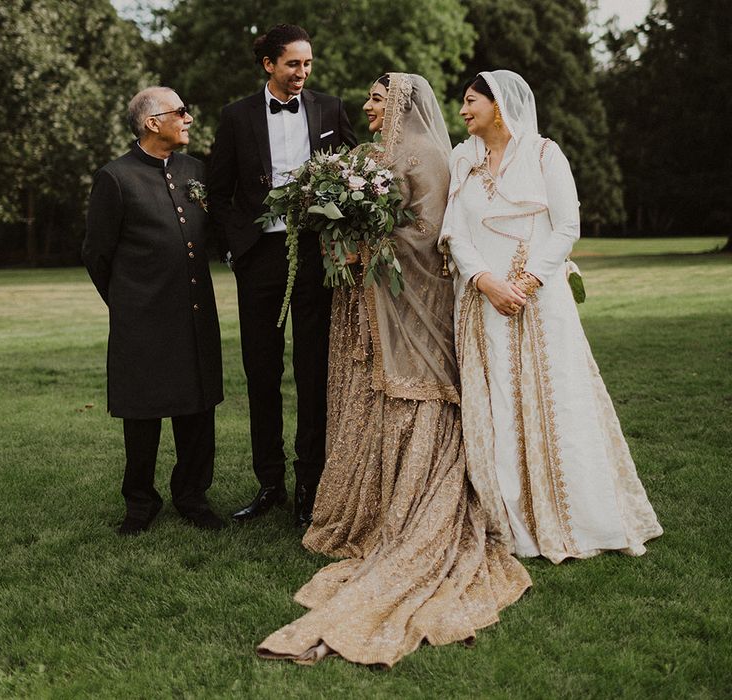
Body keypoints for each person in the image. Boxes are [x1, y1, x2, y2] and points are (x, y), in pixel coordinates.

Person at [256, 73, 531, 667]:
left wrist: (369, 238)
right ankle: (366, 507)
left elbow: (432, 236)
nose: (368, 106)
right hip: (363, 303)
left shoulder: (428, 155)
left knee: (410, 397)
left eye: (378, 98)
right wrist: (343, 234)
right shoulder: (367, 157)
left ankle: (412, 510)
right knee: (363, 390)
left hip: (409, 303)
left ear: (402, 101)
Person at [440, 70, 662, 563]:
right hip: (481, 303)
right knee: (498, 406)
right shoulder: (462, 158)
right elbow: (454, 232)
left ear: (497, 105)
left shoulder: (544, 154)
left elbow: (566, 227)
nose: (462, 111)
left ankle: (573, 516)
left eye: (470, 101)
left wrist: (526, 282)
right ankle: (511, 521)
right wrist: (484, 281)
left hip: (538, 303)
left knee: (555, 402)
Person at [208, 24, 357, 527]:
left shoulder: (331, 109)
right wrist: (238, 248)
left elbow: (358, 175)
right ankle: (269, 481)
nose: (302, 73)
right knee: (262, 371)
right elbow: (218, 191)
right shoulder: (235, 117)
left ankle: (310, 485)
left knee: (314, 371)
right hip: (261, 258)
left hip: (317, 255)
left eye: (308, 64)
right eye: (293, 63)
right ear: (269, 64)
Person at [83, 87, 224, 535]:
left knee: (198, 409)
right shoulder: (115, 178)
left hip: (196, 314)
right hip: (141, 320)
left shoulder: (196, 171)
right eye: (181, 112)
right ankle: (140, 504)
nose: (189, 118)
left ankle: (192, 497)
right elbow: (97, 255)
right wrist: (129, 303)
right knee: (142, 414)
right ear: (152, 122)